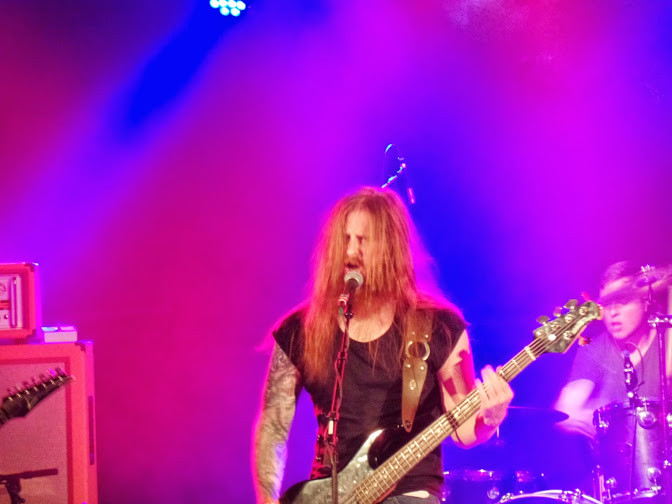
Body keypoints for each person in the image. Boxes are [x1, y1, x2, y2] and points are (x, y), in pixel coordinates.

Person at [252, 187, 513, 504]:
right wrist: (267, 500)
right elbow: (273, 428)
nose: (351, 252)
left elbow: (463, 429)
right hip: (327, 494)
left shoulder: (438, 327)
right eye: (345, 240)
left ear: (391, 249)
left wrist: (489, 419)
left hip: (409, 490)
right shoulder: (300, 330)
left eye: (363, 241)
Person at [554, 260, 669, 439]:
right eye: (607, 304)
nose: (613, 312)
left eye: (622, 301)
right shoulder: (594, 348)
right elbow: (565, 411)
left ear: (645, 302)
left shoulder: (665, 336)